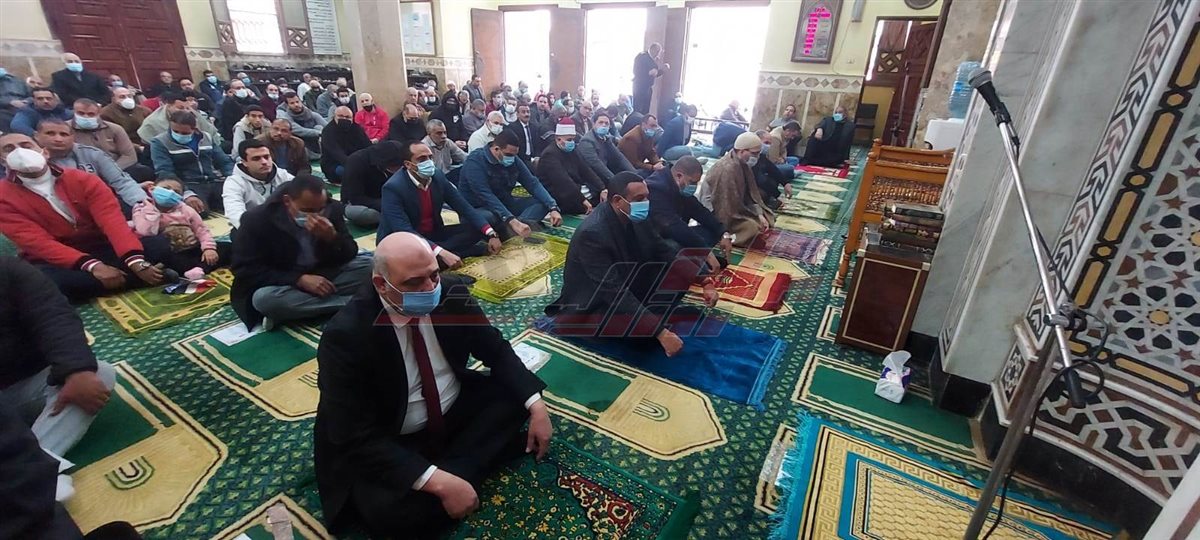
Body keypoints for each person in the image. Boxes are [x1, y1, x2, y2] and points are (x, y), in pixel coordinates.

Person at [314, 231, 550, 538]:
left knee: (518, 396)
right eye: (414, 283)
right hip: (393, 434)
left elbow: (494, 349)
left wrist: (537, 406)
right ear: (381, 284)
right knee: (389, 516)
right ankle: (460, 468)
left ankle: (450, 470)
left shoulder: (450, 293)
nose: (429, 288)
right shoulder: (347, 335)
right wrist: (436, 481)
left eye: (433, 275)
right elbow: (352, 435)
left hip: (451, 405)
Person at [542, 172, 716, 356]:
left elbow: (663, 250)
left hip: (628, 279)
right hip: (595, 304)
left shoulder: (635, 215)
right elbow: (613, 291)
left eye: (647, 197)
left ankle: (655, 318)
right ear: (618, 201)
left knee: (677, 270)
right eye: (640, 199)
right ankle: (654, 323)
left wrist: (704, 280)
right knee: (643, 341)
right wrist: (660, 333)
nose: (646, 203)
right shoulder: (592, 234)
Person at [0, 137, 170, 301]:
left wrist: (135, 260)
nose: (19, 152)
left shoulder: (82, 178)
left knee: (161, 244)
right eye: (9, 149)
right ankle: (142, 278)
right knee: (42, 283)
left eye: (26, 145)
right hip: (56, 261)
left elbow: (112, 222)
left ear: (44, 152)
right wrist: (94, 266)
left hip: (102, 245)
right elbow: (38, 243)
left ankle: (123, 276)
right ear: (3, 160)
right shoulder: (3, 195)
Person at [0, 255, 117, 460]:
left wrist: (76, 369)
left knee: (97, 375)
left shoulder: (8, 270)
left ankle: (37, 463)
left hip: (18, 390)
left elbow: (53, 316)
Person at [230, 174, 370, 331]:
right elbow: (244, 269)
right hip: (284, 283)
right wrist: (298, 279)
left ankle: (300, 310)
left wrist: (333, 238)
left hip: (324, 274)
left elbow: (350, 252)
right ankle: (351, 303)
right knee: (264, 300)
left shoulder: (331, 209)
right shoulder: (257, 219)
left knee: (373, 266)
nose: (316, 216)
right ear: (287, 201)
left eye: (320, 209)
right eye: (307, 210)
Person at [378, 142, 502, 269]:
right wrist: (442, 252)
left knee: (477, 228)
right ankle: (453, 254)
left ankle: (441, 255)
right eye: (422, 159)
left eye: (430, 157)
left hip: (433, 233)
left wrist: (491, 234)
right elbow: (404, 231)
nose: (428, 162)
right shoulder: (393, 188)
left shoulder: (437, 176)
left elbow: (463, 207)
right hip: (405, 241)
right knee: (411, 256)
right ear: (408, 164)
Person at [459, 131, 562, 239]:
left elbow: (532, 183)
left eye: (514, 155)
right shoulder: (475, 162)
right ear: (496, 149)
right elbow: (486, 196)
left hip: (505, 204)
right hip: (479, 208)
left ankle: (514, 229)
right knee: (490, 217)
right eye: (509, 155)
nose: (512, 158)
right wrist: (510, 219)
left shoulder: (512, 159)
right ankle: (514, 227)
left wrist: (553, 207)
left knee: (542, 202)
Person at [36, 118, 149, 211]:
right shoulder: (30, 160)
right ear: (36, 136)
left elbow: (121, 181)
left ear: (72, 137)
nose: (58, 139)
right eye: (50, 134)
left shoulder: (93, 154)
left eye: (64, 134)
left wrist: (142, 203)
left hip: (98, 205)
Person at [647, 156, 731, 266]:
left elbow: (700, 211)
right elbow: (673, 226)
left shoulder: (679, 186)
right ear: (679, 176)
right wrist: (705, 251)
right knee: (674, 247)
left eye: (696, 183)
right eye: (692, 182)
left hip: (675, 232)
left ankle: (697, 259)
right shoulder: (655, 189)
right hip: (659, 239)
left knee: (711, 232)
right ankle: (698, 262)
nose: (694, 186)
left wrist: (723, 233)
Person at [132, 178, 226, 276]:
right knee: (157, 248)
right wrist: (151, 210)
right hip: (168, 252)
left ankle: (196, 269)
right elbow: (145, 231)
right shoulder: (141, 208)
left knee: (226, 249)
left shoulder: (186, 209)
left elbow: (202, 230)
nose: (170, 193)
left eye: (176, 192)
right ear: (152, 189)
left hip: (191, 247)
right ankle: (188, 270)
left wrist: (209, 249)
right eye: (166, 188)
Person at [697, 132, 774, 247]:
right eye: (754, 153)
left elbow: (749, 193)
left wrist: (759, 214)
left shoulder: (742, 164)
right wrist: (750, 217)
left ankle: (748, 233)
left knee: (767, 217)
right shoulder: (726, 169)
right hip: (716, 211)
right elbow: (724, 208)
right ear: (742, 151)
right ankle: (729, 237)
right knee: (753, 227)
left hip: (735, 208)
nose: (757, 157)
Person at [150, 110, 233, 214]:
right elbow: (165, 172)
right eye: (175, 131)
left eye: (184, 133)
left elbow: (224, 162)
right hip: (188, 184)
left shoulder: (206, 137)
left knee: (236, 204)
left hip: (213, 180)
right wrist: (186, 193)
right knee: (199, 211)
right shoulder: (160, 142)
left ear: (194, 128)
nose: (179, 135)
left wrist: (233, 180)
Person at [68, 98, 154, 182]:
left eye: (91, 114)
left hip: (117, 168)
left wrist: (110, 171)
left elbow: (129, 156)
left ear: (98, 113)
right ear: (74, 112)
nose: (85, 117)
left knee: (144, 171)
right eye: (81, 113)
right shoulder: (65, 130)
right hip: (82, 172)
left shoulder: (115, 129)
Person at [222, 139, 295, 231]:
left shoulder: (282, 175)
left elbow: (302, 188)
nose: (264, 162)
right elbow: (235, 213)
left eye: (266, 157)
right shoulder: (234, 183)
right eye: (256, 158)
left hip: (283, 224)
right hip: (252, 228)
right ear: (244, 162)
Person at [536, 120, 605, 216]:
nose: (572, 142)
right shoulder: (549, 155)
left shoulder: (572, 150)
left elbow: (586, 170)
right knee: (582, 202)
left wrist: (602, 188)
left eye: (573, 139)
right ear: (558, 139)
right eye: (569, 140)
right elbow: (563, 182)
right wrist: (582, 199)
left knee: (598, 193)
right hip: (558, 192)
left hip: (575, 187)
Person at [341, 141, 405, 228]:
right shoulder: (356, 161)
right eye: (396, 166)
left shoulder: (400, 165)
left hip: (389, 200)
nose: (399, 169)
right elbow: (356, 198)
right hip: (363, 204)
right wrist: (389, 204)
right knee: (366, 215)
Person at [138, 92, 222, 146]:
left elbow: (210, 131)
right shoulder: (153, 121)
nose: (185, 111)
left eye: (187, 108)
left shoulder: (191, 113)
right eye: (180, 108)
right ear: (168, 106)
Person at [577, 110, 635, 184]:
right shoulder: (587, 141)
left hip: (605, 175)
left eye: (606, 123)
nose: (604, 125)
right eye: (600, 122)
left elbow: (619, 157)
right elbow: (597, 165)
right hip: (592, 179)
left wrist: (635, 174)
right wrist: (616, 181)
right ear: (594, 124)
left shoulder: (606, 139)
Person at [319, 106, 370, 186]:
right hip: (335, 164)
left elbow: (367, 146)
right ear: (334, 117)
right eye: (341, 116)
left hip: (357, 161)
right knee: (351, 173)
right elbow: (337, 154)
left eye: (347, 117)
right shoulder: (328, 131)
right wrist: (356, 165)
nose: (344, 119)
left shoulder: (357, 128)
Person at [100, 87, 152, 152]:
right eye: (122, 97)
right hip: (124, 148)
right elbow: (112, 139)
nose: (127, 99)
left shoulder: (144, 110)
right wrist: (138, 148)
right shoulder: (105, 114)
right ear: (113, 99)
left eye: (129, 96)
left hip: (147, 143)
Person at [276, 92, 327, 158]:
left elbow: (327, 126)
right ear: (287, 105)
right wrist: (319, 133)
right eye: (292, 103)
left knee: (319, 127)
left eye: (297, 102)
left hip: (315, 142)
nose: (296, 105)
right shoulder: (286, 118)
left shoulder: (312, 114)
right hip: (300, 145)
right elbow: (299, 131)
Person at [218, 80, 258, 145]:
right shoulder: (228, 103)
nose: (241, 89)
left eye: (243, 87)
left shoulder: (254, 101)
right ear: (232, 90)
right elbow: (227, 123)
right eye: (238, 88)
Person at [632, 43, 668, 114]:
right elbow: (636, 71)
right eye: (658, 52)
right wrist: (648, 72)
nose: (658, 55)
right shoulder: (641, 57)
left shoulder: (653, 59)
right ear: (654, 50)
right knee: (638, 109)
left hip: (648, 87)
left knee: (646, 110)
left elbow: (654, 74)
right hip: (640, 87)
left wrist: (662, 70)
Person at [0, 67, 31, 133]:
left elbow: (32, 95)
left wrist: (26, 101)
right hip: (4, 110)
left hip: (24, 108)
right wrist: (10, 102)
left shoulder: (18, 81)